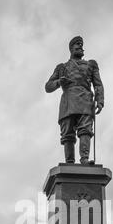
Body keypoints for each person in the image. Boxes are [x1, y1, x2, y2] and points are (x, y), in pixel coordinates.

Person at [45, 36, 104, 165]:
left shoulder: (91, 65)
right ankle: (69, 162)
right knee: (68, 134)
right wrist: (59, 81)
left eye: (81, 45)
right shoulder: (62, 67)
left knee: (85, 129)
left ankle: (84, 159)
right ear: (71, 48)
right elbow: (48, 86)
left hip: (85, 100)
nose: (80, 46)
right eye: (77, 44)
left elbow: (98, 84)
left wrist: (100, 100)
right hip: (68, 102)